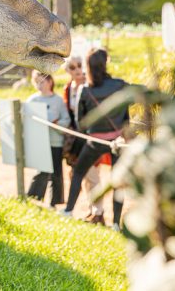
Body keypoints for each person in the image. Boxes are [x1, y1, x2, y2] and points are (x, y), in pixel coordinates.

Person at [61, 49, 129, 231]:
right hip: (117, 141)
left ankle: (68, 211)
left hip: (94, 141)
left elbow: (80, 122)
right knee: (118, 182)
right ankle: (115, 223)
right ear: (105, 63)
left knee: (78, 173)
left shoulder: (85, 90)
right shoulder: (120, 85)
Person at [62, 57, 106, 224]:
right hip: (76, 138)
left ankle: (99, 212)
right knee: (82, 174)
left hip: (92, 135)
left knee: (92, 174)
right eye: (73, 67)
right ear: (68, 71)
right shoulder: (69, 88)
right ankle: (92, 209)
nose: (77, 69)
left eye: (80, 65)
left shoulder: (91, 86)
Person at [26, 71, 71, 207]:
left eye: (42, 82)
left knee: (56, 173)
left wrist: (55, 124)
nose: (39, 85)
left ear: (50, 82)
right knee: (42, 171)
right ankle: (34, 198)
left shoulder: (58, 101)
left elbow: (66, 119)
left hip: (55, 141)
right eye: (37, 82)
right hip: (40, 142)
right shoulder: (32, 100)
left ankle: (55, 202)